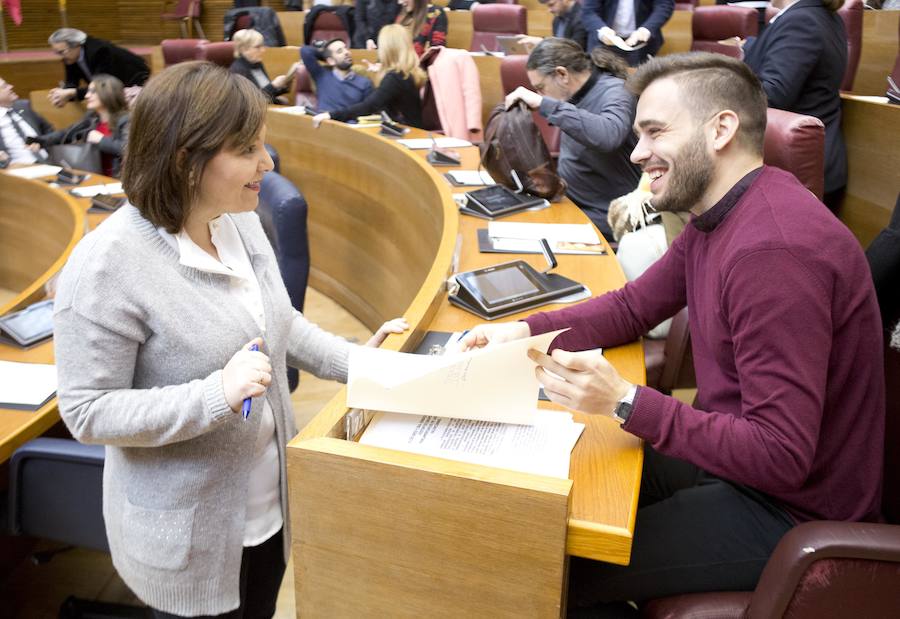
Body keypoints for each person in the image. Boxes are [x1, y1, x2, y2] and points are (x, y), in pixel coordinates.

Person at [463, 52, 884, 614]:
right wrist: (522, 332)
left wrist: (625, 400)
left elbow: (781, 454)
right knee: (564, 476)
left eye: (654, 132)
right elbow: (635, 307)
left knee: (553, 564)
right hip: (739, 466)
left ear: (721, 129)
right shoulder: (722, 213)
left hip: (789, 508)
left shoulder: (775, 252)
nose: (636, 153)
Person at [52, 60, 407, 618]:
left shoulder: (235, 217)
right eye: (247, 151)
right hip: (186, 539)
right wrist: (215, 394)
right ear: (183, 159)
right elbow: (88, 412)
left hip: (268, 509)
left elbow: (280, 324)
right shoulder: (105, 268)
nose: (267, 164)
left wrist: (366, 365)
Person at [504, 38, 641, 241]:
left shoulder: (617, 91)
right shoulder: (572, 96)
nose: (540, 93)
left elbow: (609, 135)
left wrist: (545, 103)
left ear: (562, 74)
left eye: (541, 87)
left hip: (604, 214)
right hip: (569, 201)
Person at [742, 0, 848, 211]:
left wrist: (714, 91)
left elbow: (772, 94)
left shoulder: (801, 20)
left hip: (795, 173)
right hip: (806, 166)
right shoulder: (819, 15)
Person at [313, 25, 425, 129]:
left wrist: (331, 115)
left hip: (407, 134)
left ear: (389, 49)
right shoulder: (405, 73)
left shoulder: (395, 77)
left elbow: (369, 106)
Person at [35, 74, 130, 178]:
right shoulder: (92, 118)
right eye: (88, 91)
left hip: (118, 179)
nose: (86, 96)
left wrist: (100, 140)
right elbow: (67, 133)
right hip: (94, 177)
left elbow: (129, 149)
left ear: (108, 93)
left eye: (93, 92)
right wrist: (41, 141)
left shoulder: (126, 120)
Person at [47, 28, 149, 108]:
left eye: (61, 52)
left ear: (77, 45)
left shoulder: (99, 52)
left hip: (133, 85)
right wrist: (62, 94)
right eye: (57, 53)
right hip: (108, 89)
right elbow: (72, 82)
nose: (60, 56)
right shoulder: (70, 57)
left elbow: (102, 87)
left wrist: (71, 93)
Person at [582, 0, 674, 65]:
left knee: (636, 86)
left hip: (641, 44)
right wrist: (602, 31)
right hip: (603, 41)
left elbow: (664, 6)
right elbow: (589, 11)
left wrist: (646, 29)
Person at [300, 38, 374, 113]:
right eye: (340, 51)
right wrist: (326, 56)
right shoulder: (321, 75)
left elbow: (368, 111)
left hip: (348, 123)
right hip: (323, 121)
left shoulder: (365, 83)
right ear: (331, 61)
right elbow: (305, 51)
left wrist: (333, 58)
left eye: (346, 49)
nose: (346, 52)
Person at [229, 29, 300, 105]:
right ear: (244, 49)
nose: (263, 50)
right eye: (257, 47)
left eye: (262, 46)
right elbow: (251, 101)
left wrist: (283, 85)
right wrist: (273, 86)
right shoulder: (238, 70)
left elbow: (265, 93)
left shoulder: (257, 64)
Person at [0, 77, 53, 168]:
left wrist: (43, 142)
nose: (11, 87)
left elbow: (48, 130)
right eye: (5, 86)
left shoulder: (23, 106)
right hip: (17, 172)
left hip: (50, 161)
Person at [517, 0, 588, 52]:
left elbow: (575, 50)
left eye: (551, 5)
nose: (549, 10)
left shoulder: (583, 18)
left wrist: (542, 42)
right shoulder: (557, 20)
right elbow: (557, 45)